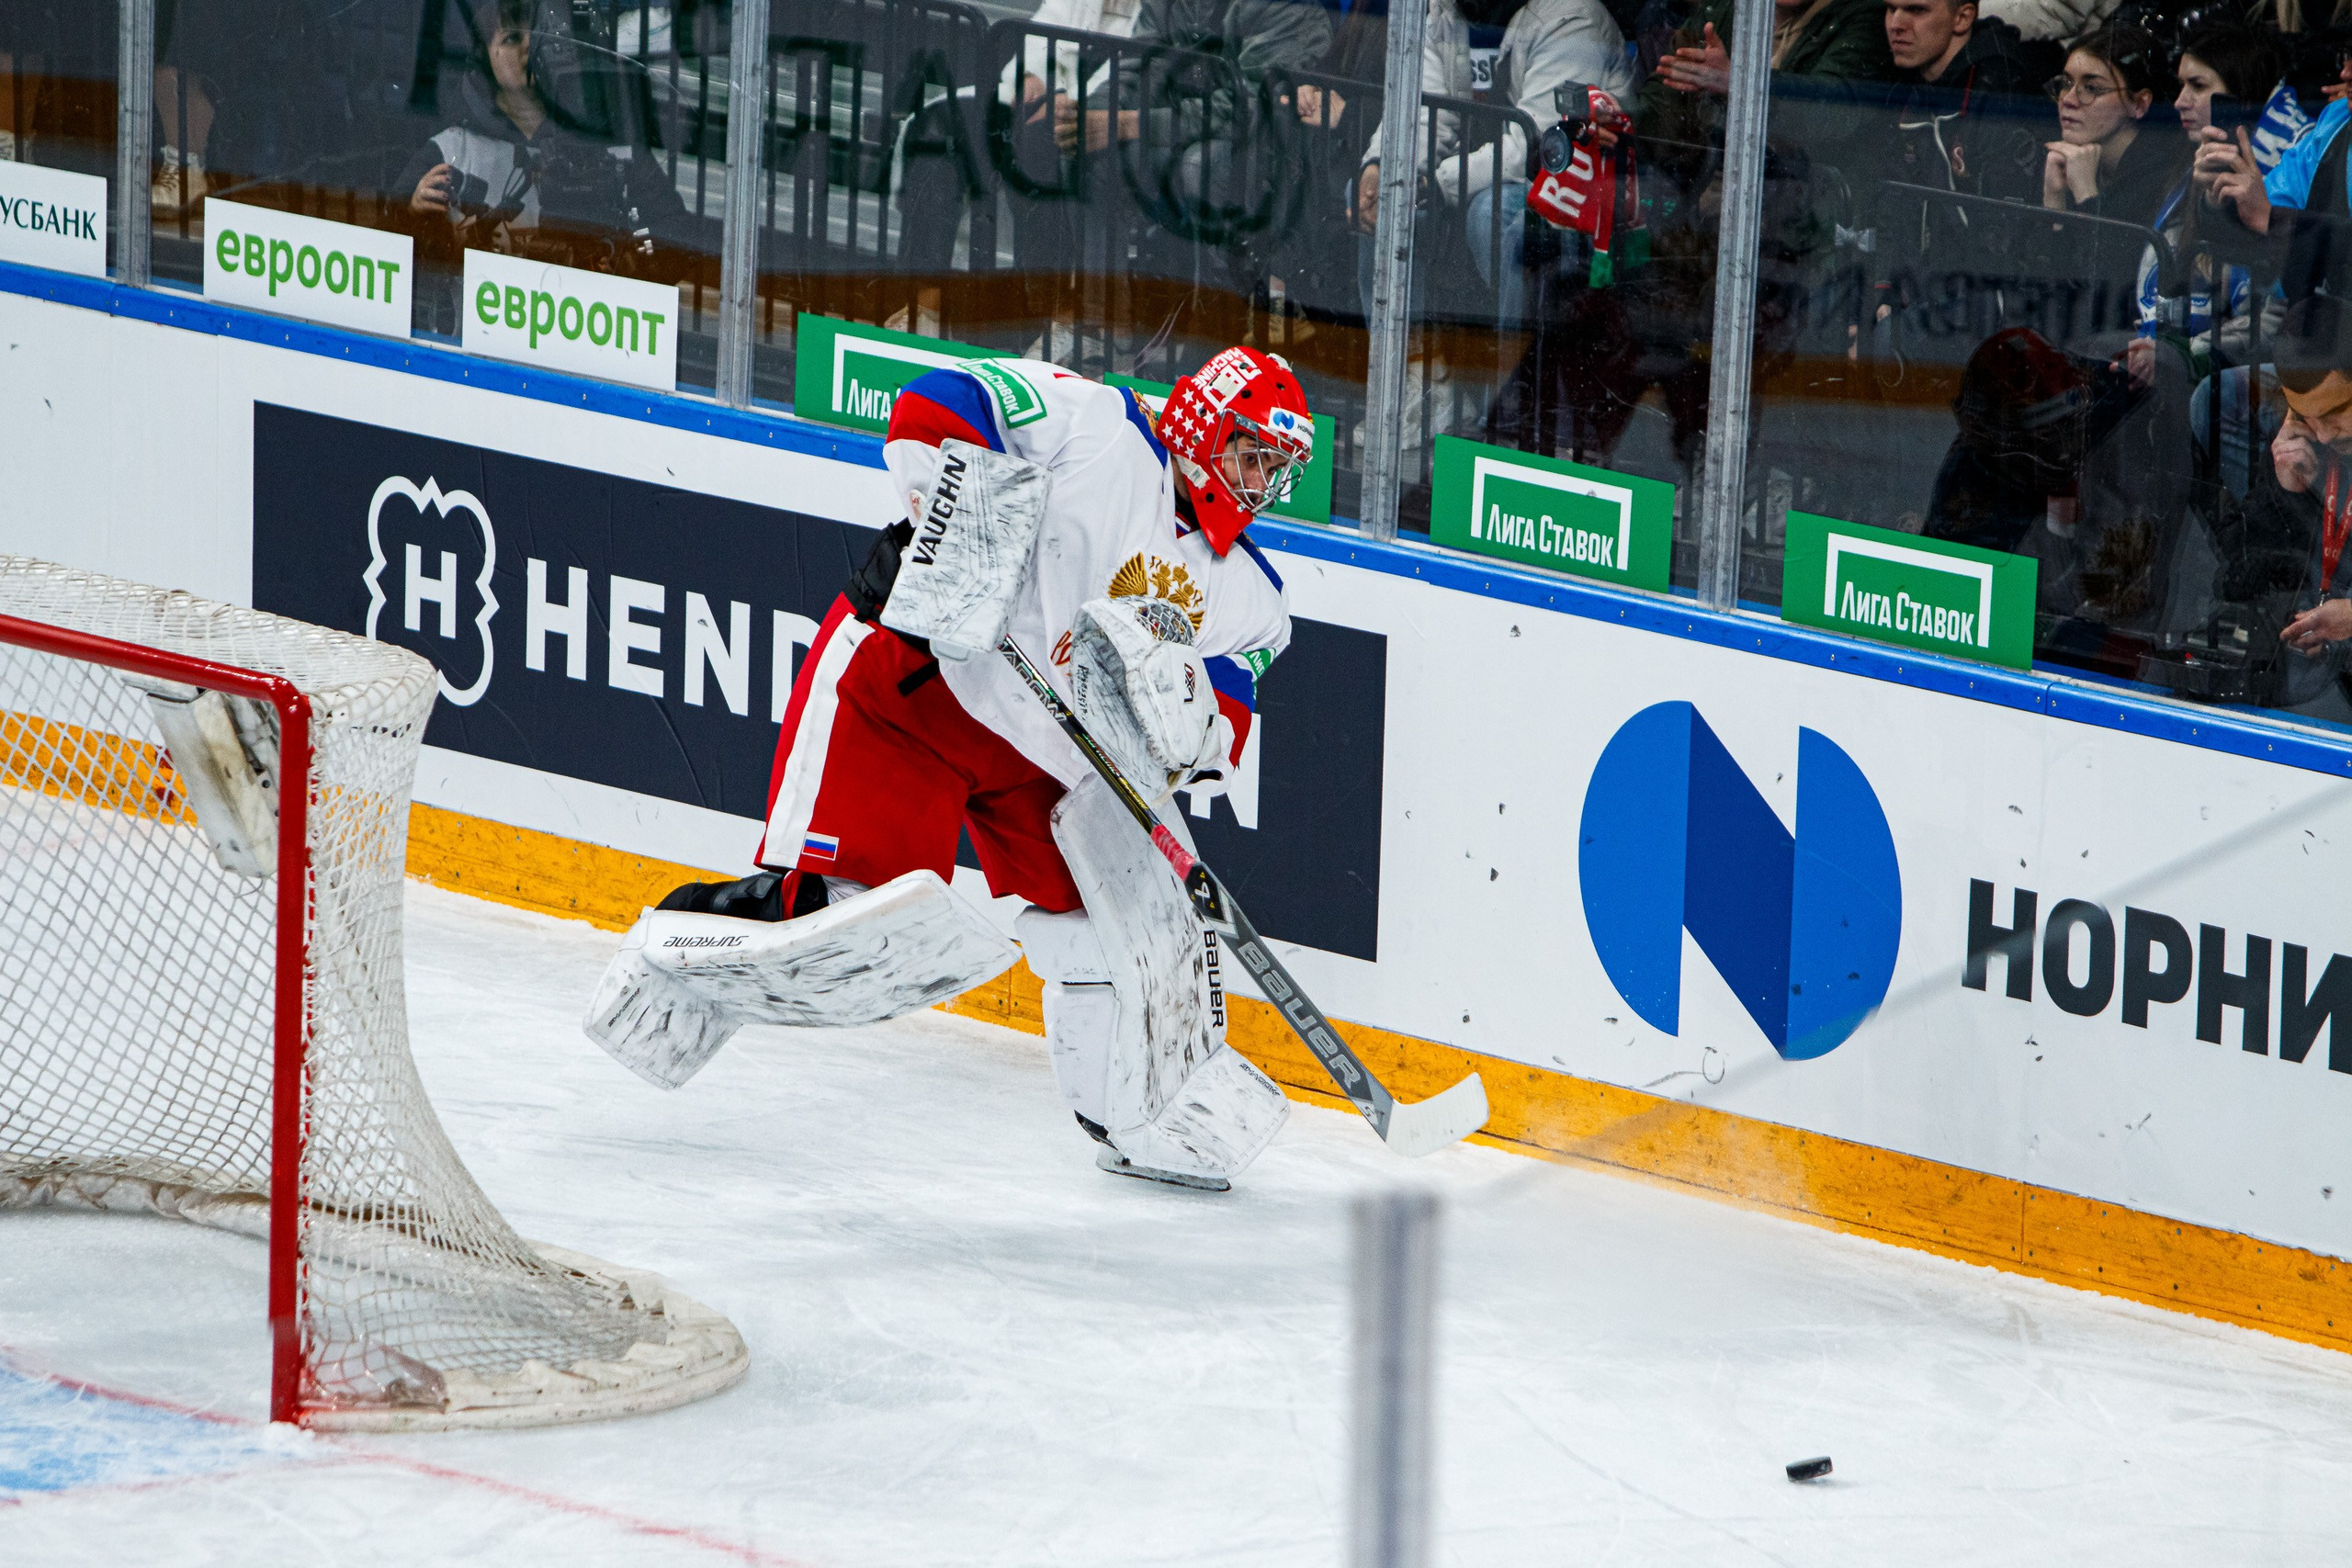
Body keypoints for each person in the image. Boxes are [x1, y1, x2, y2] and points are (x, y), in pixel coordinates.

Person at [588, 347, 1317, 1192]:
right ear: (1203, 421)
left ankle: (1135, 1119)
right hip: (922, 689)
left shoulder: (1251, 596)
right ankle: (668, 956)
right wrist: (961, 531)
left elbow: (1225, 712)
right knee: (840, 920)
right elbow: (937, 403)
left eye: (1277, 467)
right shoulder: (1094, 427)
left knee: (1111, 940)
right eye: (1252, 452)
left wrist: (1184, 721)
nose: (1260, 481)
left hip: (1046, 763)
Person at [396, 0, 711, 280]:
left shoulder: (608, 145)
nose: (531, 47)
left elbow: (677, 237)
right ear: (483, 60)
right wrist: (413, 213)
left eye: (543, 36)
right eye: (513, 38)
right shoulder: (453, 150)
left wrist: (626, 264)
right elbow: (390, 253)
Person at [2040, 24, 2180, 225]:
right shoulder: (2063, 161)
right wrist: (2054, 199)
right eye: (2066, 84)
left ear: (2139, 104)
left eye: (2091, 88)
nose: (2068, 100)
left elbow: (2114, 256)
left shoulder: (2163, 178)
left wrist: (2086, 194)